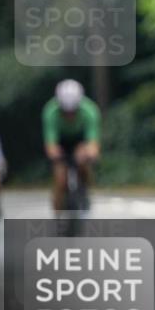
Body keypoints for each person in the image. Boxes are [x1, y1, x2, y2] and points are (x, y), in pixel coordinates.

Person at [43, 79, 101, 213]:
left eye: (73, 111)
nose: (69, 115)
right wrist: (54, 154)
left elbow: (93, 141)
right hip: (61, 143)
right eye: (65, 112)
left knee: (84, 164)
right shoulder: (50, 111)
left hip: (80, 141)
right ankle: (58, 212)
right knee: (60, 178)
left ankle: (84, 190)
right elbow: (50, 143)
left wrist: (90, 153)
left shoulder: (90, 110)